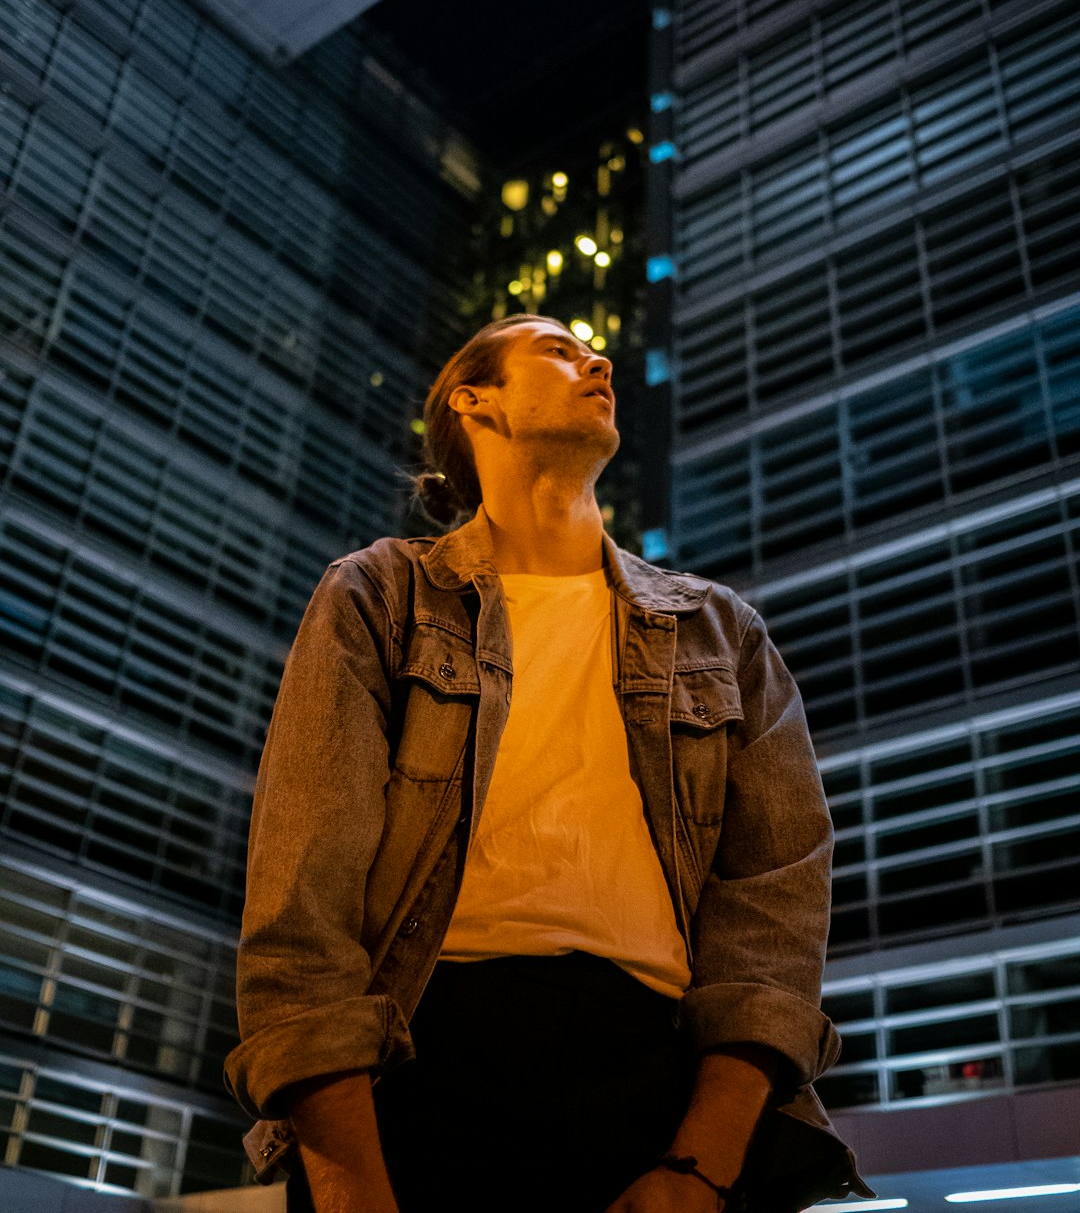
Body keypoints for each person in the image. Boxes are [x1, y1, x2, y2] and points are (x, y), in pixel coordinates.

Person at [224, 314, 869, 1213]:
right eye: (558, 350)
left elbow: (775, 905)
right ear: (474, 401)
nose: (598, 358)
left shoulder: (719, 631)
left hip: (662, 1079)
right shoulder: (380, 595)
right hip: (422, 1071)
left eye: (593, 349)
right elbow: (303, 899)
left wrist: (701, 1168)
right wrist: (348, 1180)